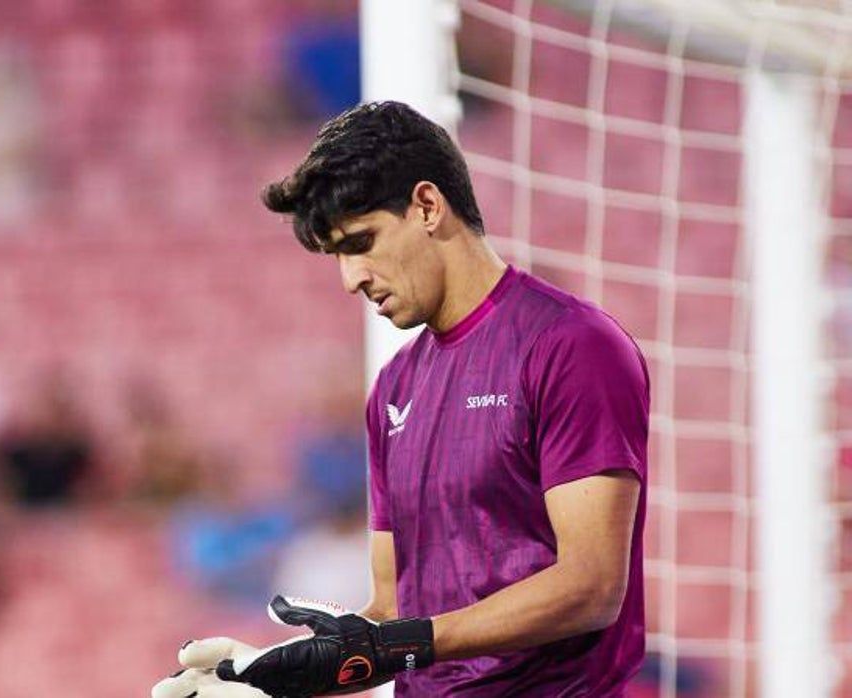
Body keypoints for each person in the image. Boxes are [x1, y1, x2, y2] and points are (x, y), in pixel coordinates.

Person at [155, 101, 648, 697]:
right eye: (337, 255)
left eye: (361, 242)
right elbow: (392, 613)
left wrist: (403, 643)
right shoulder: (394, 389)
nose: (350, 278)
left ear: (427, 206)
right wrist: (274, 676)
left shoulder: (570, 346)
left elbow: (592, 586)